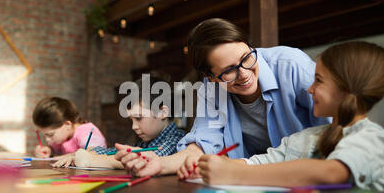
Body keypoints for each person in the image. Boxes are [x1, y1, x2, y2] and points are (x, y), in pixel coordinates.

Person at [115, 18, 330, 177]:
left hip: (311, 176)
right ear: (211, 77)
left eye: (246, 58)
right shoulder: (211, 90)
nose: (244, 73)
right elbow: (201, 145)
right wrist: (159, 164)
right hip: (255, 180)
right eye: (229, 71)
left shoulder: (291, 66)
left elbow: (336, 128)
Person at [181, 41, 384, 191]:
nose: (309, 89)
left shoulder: (372, 138)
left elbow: (330, 173)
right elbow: (260, 162)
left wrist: (234, 174)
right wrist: (208, 167)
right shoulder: (306, 137)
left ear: (345, 88)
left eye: (318, 80)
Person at [52, 76, 185, 168]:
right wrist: (86, 153)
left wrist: (91, 160)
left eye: (138, 118)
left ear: (162, 112)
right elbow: (114, 152)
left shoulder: (177, 140)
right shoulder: (148, 140)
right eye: (131, 120)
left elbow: (150, 159)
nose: (134, 127)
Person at [32, 96, 106, 160]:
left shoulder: (85, 131)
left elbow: (95, 152)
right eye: (45, 135)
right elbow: (55, 149)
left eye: (51, 135)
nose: (47, 139)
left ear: (67, 124)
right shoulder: (63, 136)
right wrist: (49, 151)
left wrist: (58, 158)